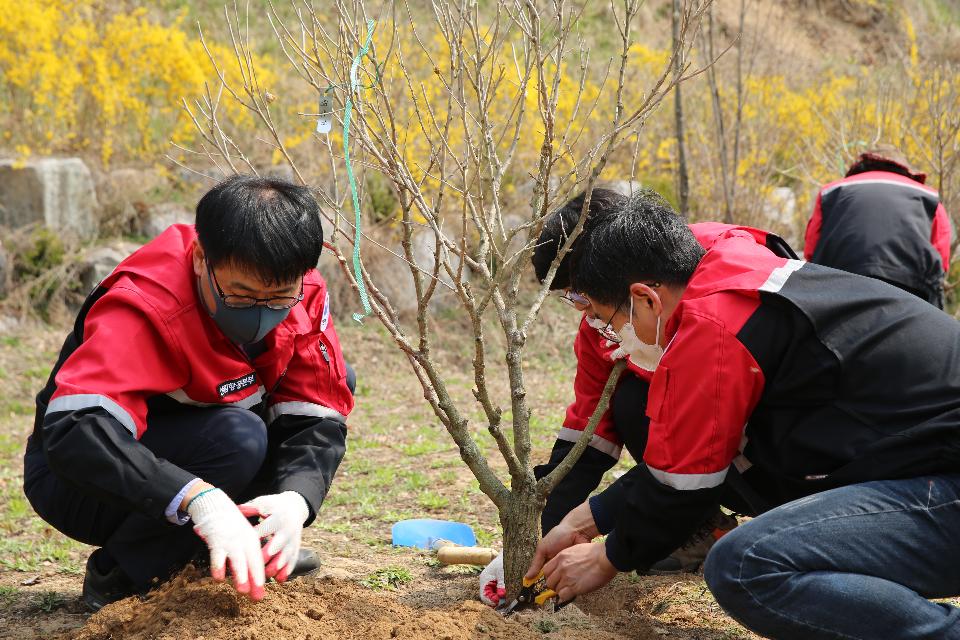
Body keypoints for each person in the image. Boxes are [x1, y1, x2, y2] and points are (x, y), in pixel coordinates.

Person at [526, 192, 960, 639]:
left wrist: (607, 557)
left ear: (645, 298)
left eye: (600, 316)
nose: (601, 333)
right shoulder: (718, 272)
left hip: (945, 481)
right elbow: (699, 456)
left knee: (746, 565)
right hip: (918, 465)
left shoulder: (713, 328)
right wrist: (583, 518)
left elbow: (686, 482)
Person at [23, 175, 355, 611]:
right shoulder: (145, 303)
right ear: (201, 258)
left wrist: (296, 499)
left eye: (278, 297)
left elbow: (316, 408)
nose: (262, 311)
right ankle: (125, 570)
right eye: (241, 294)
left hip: (203, 446)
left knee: (336, 379)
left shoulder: (304, 291)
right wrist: (198, 499)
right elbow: (78, 431)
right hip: (78, 483)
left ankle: (230, 550)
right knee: (238, 436)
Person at [479, 188, 795, 605]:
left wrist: (609, 553)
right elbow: (587, 434)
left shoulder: (713, 297)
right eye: (572, 300)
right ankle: (692, 525)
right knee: (628, 402)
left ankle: (739, 521)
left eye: (581, 295)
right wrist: (542, 534)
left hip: (780, 445)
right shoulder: (602, 325)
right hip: (705, 451)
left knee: (741, 561)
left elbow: (697, 448)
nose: (582, 312)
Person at [804, 143, 951, 307]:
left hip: (839, 286)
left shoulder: (831, 191)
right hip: (911, 291)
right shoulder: (927, 196)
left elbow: (810, 250)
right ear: (904, 167)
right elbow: (942, 257)